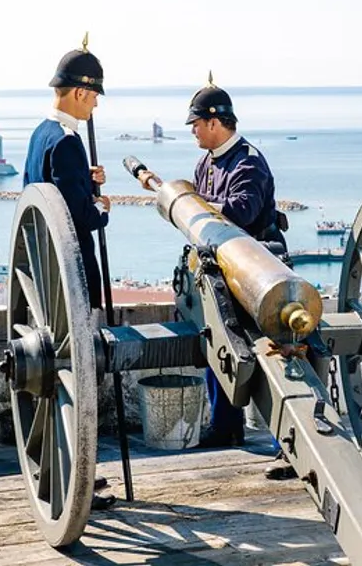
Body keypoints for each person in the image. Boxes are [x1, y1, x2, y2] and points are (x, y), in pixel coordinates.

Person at [137, 75, 296, 479]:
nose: (192, 132)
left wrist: (198, 202)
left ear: (214, 122)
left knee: (276, 356)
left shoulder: (248, 162)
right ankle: (226, 426)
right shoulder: (206, 162)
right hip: (219, 273)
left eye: (195, 125)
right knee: (216, 346)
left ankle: (290, 445)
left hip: (258, 270)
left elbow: (240, 214)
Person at [22, 39, 117, 509]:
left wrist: (86, 180)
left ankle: (64, 472)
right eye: (95, 94)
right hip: (72, 285)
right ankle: (79, 478)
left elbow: (51, 194)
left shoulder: (41, 134)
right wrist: (100, 207)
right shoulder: (67, 142)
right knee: (83, 381)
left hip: (44, 279)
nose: (96, 102)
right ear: (80, 92)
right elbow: (76, 218)